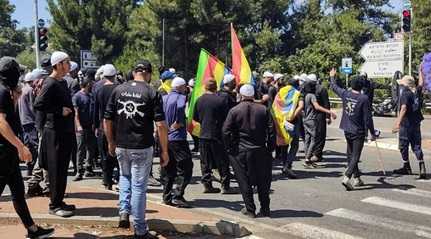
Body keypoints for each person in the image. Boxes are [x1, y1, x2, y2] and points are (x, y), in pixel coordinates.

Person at [104, 60, 169, 238]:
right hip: (141, 145)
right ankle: (140, 229)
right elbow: (161, 125)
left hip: (121, 144)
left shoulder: (118, 89)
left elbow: (107, 119)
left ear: (134, 72)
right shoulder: (151, 92)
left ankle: (124, 212)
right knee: (139, 186)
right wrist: (164, 150)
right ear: (148, 74)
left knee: (124, 177)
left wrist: (110, 142)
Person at [0, 56, 55, 238]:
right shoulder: (1, 91)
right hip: (2, 153)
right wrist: (21, 147)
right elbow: (0, 122)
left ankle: (32, 229)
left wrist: (14, 98)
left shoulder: (6, 91)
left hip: (8, 154)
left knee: (18, 192)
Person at [222, 84, 275, 218]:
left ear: (241, 95)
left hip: (241, 150)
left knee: (243, 180)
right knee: (263, 181)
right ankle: (265, 209)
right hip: (260, 149)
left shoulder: (234, 110)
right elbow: (272, 131)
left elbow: (225, 131)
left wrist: (230, 148)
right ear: (253, 95)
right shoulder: (263, 109)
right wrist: (270, 149)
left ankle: (250, 209)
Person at [34, 51, 76, 217]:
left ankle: (59, 200)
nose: (68, 65)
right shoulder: (50, 83)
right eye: (66, 62)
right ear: (58, 65)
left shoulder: (63, 82)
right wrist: (59, 111)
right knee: (55, 168)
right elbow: (39, 104)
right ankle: (54, 205)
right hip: (54, 132)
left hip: (64, 131)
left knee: (63, 168)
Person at [329, 68, 375, 191]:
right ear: (361, 86)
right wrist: (372, 132)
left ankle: (357, 178)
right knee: (355, 155)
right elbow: (368, 118)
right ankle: (347, 176)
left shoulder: (345, 94)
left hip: (346, 129)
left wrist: (332, 76)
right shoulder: (364, 98)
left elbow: (334, 87)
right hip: (358, 131)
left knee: (350, 153)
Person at [194, 79, 234, 194]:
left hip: (203, 134)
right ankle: (225, 186)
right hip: (218, 134)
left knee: (205, 162)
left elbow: (196, 117)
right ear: (216, 87)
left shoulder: (199, 100)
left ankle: (207, 184)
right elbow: (227, 118)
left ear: (205, 87)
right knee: (222, 161)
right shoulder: (221, 100)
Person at [161, 77, 193, 208]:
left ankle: (167, 195)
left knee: (169, 167)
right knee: (186, 167)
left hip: (165, 137)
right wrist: (180, 121)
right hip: (177, 138)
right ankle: (177, 195)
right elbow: (180, 107)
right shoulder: (180, 98)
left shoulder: (164, 98)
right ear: (181, 87)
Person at [392, 75, 426, 179]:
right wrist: (421, 71)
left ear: (406, 84)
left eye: (402, 83)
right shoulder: (417, 92)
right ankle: (422, 166)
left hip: (406, 124)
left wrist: (397, 122)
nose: (401, 84)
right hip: (416, 122)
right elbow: (421, 83)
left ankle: (406, 167)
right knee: (416, 145)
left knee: (403, 145)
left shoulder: (405, 93)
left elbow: (403, 108)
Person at [94, 64, 119, 190]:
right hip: (118, 126)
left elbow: (95, 110)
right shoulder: (119, 89)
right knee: (118, 153)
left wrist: (96, 126)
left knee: (104, 154)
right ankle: (120, 179)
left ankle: (107, 180)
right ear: (115, 75)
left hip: (103, 126)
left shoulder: (99, 91)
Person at [302, 80, 336, 168]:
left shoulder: (305, 95)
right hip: (311, 119)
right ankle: (307, 159)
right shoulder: (312, 96)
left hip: (305, 119)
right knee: (314, 139)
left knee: (307, 139)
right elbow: (317, 107)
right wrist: (329, 112)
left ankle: (307, 158)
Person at [277, 78, 304, 178]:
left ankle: (284, 165)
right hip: (293, 122)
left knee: (284, 144)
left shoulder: (281, 92)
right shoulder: (298, 93)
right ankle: (288, 165)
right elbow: (301, 106)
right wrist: (292, 116)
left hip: (282, 121)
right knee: (295, 144)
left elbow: (276, 105)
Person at [72, 78, 97, 181]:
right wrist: (78, 125)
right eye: (90, 84)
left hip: (90, 126)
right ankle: (79, 171)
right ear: (87, 84)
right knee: (80, 149)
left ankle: (88, 168)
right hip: (81, 128)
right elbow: (76, 113)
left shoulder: (91, 96)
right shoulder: (77, 96)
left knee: (91, 149)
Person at [18, 72, 38, 177]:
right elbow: (32, 106)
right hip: (30, 122)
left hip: (23, 121)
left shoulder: (21, 90)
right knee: (34, 146)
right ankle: (33, 170)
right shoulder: (29, 90)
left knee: (28, 145)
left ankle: (29, 170)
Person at [307, 74, 331, 162]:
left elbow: (326, 103)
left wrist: (328, 116)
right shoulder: (307, 89)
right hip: (309, 115)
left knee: (320, 134)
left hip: (320, 115)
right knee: (311, 135)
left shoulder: (321, 89)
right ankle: (310, 153)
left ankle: (317, 154)